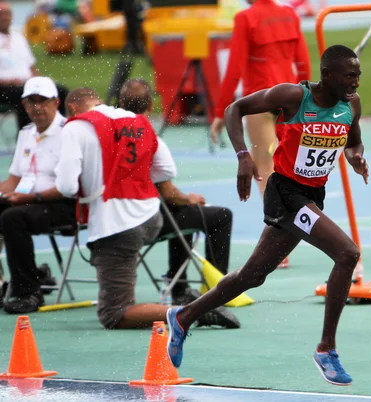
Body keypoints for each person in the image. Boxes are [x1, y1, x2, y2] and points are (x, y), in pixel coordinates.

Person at [167, 45, 369, 386]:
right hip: (286, 195)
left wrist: (356, 157)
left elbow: (353, 142)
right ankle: (326, 349)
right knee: (347, 254)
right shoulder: (293, 97)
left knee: (252, 275)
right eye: (350, 74)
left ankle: (184, 316)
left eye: (359, 74)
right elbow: (236, 108)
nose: (356, 80)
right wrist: (244, 156)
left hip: (312, 196)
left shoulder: (351, 104)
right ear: (328, 75)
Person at [55, 87, 239, 330]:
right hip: (151, 217)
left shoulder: (75, 127)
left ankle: (192, 311)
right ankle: (189, 290)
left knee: (113, 314)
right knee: (200, 218)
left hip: (115, 223)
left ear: (72, 109)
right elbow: (166, 172)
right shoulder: (139, 122)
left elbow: (66, 186)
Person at [210, 0, 311, 268]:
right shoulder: (289, 14)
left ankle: (279, 245)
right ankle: (295, 233)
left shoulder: (246, 18)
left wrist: (221, 111)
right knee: (292, 171)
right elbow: (303, 63)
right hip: (291, 101)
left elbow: (235, 68)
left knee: (266, 172)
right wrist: (310, 101)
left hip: (260, 101)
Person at [119, 78, 236, 307]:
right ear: (151, 107)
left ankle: (179, 284)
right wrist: (188, 197)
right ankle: (216, 291)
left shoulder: (105, 138)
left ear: (120, 104)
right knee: (217, 215)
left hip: (112, 220)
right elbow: (169, 192)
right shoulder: (151, 140)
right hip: (144, 222)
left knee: (180, 208)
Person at [0, 76, 76, 314]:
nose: (37, 107)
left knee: (12, 218)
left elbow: (70, 187)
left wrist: (29, 198)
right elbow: (13, 179)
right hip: (27, 202)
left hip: (63, 204)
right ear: (23, 106)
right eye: (31, 102)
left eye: (43, 101)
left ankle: (28, 292)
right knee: (9, 212)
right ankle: (6, 282)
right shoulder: (26, 132)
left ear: (56, 102)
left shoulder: (69, 133)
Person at [0, 2, 69, 133]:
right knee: (25, 96)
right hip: (4, 87)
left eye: (7, 14)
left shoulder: (18, 37)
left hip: (25, 82)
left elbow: (31, 66)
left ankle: (58, 132)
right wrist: (10, 82)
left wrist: (42, 81)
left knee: (59, 90)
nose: (4, 17)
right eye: (1, 14)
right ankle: (26, 135)